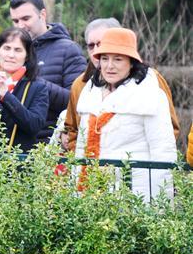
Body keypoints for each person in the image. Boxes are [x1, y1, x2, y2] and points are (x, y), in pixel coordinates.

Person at [74, 28, 175, 201]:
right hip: (91, 194)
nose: (109, 65)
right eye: (104, 58)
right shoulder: (89, 93)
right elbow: (80, 150)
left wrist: (161, 205)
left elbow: (163, 153)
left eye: (118, 59)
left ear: (132, 62)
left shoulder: (151, 96)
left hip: (134, 196)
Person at [64, 17, 181, 152]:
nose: (97, 49)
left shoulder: (150, 81)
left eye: (101, 43)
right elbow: (72, 131)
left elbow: (167, 135)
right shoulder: (82, 85)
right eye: (91, 45)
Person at [8, 0, 86, 143]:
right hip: (9, 145)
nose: (20, 26)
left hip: (49, 147)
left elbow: (77, 103)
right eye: (15, 21)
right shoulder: (9, 50)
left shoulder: (68, 50)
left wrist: (32, 82)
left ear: (42, 15)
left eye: (26, 18)